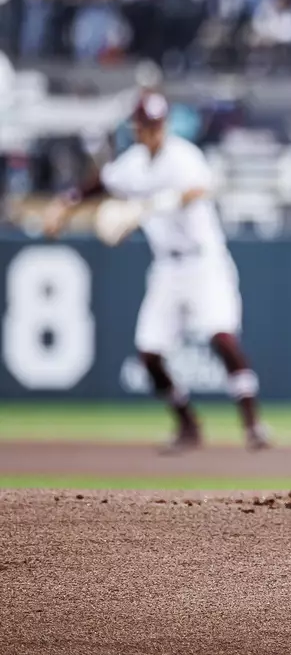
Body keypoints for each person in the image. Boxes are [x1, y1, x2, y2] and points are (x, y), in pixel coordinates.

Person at [43, 91, 269, 451]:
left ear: (165, 125)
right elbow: (102, 181)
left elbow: (200, 188)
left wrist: (151, 205)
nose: (152, 132)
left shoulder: (182, 156)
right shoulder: (133, 163)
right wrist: (64, 204)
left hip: (204, 263)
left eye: (157, 125)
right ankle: (188, 424)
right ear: (137, 127)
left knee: (222, 338)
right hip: (167, 269)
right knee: (149, 355)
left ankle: (253, 425)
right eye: (146, 126)